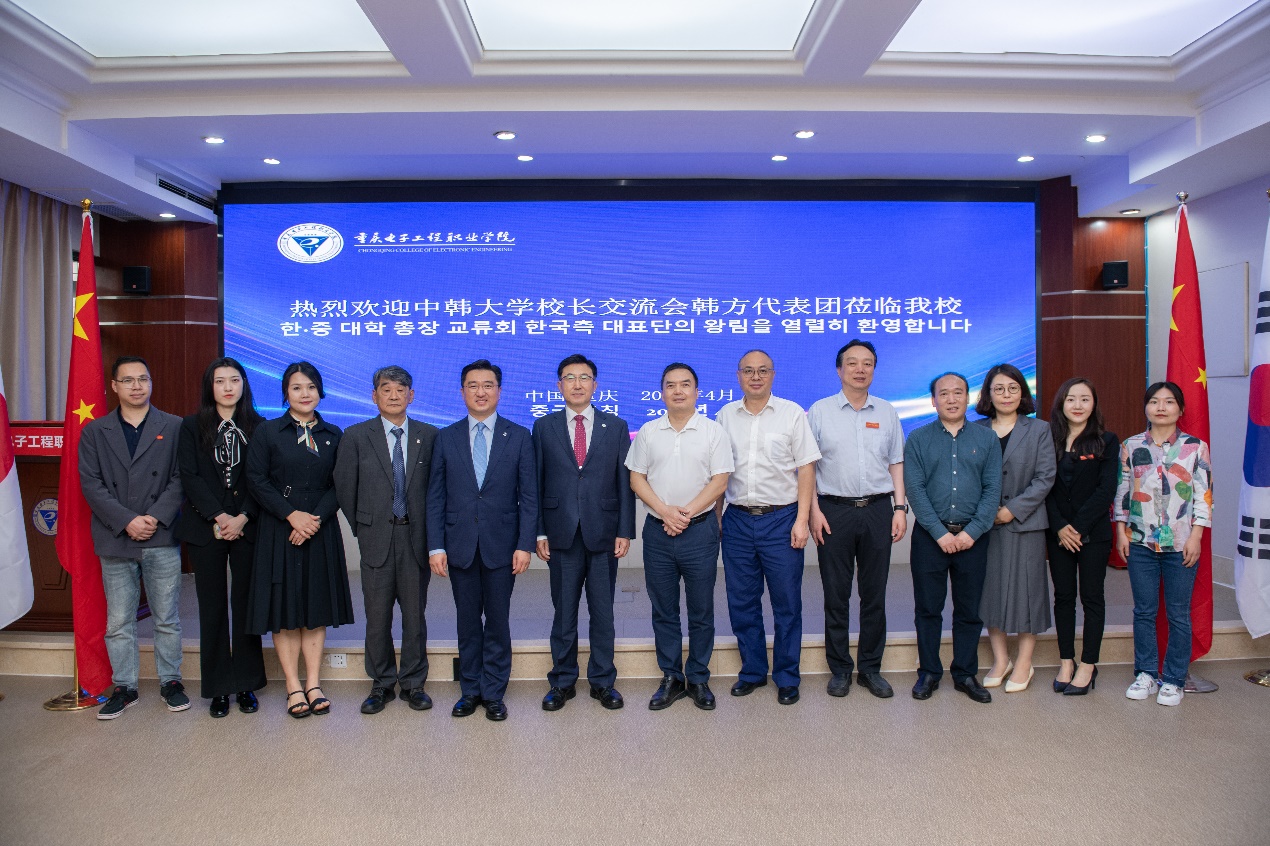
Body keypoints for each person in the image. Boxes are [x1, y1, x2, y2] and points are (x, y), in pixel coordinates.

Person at [427, 359, 537, 722]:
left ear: (499, 392)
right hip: (459, 544)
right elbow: (435, 497)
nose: (480, 392)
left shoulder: (518, 436)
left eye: (488, 385)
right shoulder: (445, 437)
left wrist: (524, 544)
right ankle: (470, 690)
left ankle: (493, 692)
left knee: (498, 621)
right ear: (462, 392)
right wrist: (436, 546)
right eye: (473, 385)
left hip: (502, 546)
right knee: (467, 622)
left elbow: (529, 496)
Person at [80, 356, 187, 720]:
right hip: (116, 536)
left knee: (166, 617)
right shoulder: (95, 431)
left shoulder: (174, 426)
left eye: (143, 379)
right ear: (114, 386)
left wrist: (153, 517)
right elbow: (91, 484)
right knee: (119, 621)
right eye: (128, 380)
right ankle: (124, 686)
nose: (137, 386)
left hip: (160, 534)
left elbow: (181, 478)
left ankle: (171, 682)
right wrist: (127, 521)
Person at [245, 361, 354, 718]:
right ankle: (293, 686)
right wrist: (291, 515)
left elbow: (340, 483)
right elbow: (256, 479)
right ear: (285, 393)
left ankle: (314, 683)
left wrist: (314, 520)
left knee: (315, 607)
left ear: (320, 391)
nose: (305, 393)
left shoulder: (334, 434)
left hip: (319, 528)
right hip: (280, 527)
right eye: (296, 387)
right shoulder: (268, 432)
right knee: (285, 609)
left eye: (311, 387)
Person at [626, 362, 733, 711]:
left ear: (697, 392)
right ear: (662, 393)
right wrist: (666, 511)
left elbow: (720, 480)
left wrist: (683, 514)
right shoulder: (648, 431)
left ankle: (698, 677)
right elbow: (636, 478)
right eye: (670, 385)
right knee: (664, 609)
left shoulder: (713, 431)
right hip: (658, 532)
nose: (678, 390)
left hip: (700, 531)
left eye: (685, 384)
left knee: (701, 609)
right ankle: (671, 677)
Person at [533, 354, 636, 712]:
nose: (577, 384)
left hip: (604, 532)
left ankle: (603, 682)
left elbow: (624, 482)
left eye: (584, 377)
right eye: (569, 378)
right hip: (560, 532)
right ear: (559, 385)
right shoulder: (543, 427)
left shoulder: (616, 426)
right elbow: (536, 483)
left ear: (595, 384)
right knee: (564, 612)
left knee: (603, 612)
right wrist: (539, 531)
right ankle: (562, 681)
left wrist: (625, 529)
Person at [717, 350, 820, 705]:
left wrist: (802, 520)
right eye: (748, 371)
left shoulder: (792, 414)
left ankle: (787, 676)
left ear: (773, 375)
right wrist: (717, 517)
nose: (756, 377)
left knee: (786, 602)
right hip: (737, 519)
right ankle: (753, 671)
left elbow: (806, 468)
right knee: (742, 601)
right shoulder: (725, 416)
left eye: (763, 371)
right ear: (738, 375)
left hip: (782, 519)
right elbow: (719, 472)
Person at [334, 366, 438, 715]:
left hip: (415, 537)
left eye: (400, 389)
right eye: (386, 389)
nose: (394, 395)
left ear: (412, 395)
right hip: (376, 536)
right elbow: (345, 488)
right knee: (377, 616)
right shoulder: (355, 436)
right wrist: (365, 527)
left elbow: (436, 490)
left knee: (414, 616)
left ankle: (413, 683)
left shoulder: (429, 435)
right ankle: (380, 683)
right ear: (374, 395)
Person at [807, 340, 907, 700]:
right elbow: (807, 467)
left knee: (874, 594)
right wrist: (813, 511)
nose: (860, 369)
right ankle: (840, 669)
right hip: (833, 510)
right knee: (836, 595)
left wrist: (900, 508)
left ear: (874, 370)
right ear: (839, 370)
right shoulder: (819, 411)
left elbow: (896, 462)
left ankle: (870, 668)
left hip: (878, 509)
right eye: (852, 363)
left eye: (867, 363)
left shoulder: (887, 411)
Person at [174, 357, 267, 718]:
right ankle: (217, 688)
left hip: (247, 525)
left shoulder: (260, 426)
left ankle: (245, 683)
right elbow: (190, 476)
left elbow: (261, 479)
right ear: (209, 387)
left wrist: (242, 516)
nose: (228, 387)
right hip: (205, 526)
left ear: (244, 384)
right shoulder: (191, 426)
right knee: (211, 607)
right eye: (220, 381)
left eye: (234, 380)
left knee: (245, 605)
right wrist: (219, 515)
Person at [903, 372, 1002, 704]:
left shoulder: (987, 439)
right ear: (933, 401)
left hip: (974, 538)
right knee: (928, 609)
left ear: (968, 398)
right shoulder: (918, 438)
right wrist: (940, 533)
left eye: (958, 392)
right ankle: (929, 672)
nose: (951, 399)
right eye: (943, 394)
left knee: (969, 610)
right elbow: (915, 489)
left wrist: (973, 531)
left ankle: (965, 673)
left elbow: (993, 489)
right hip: (930, 538)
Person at [1114, 381, 1212, 707]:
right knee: (1144, 611)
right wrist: (1121, 532)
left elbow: (1204, 496)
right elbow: (1123, 492)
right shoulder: (1131, 446)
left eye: (1169, 402)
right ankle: (1145, 673)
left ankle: (1173, 679)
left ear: (1180, 409)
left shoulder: (1195, 447)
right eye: (1154, 401)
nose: (1161, 407)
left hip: (1182, 542)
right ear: (1146, 407)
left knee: (1178, 613)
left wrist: (1196, 535)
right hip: (1141, 541)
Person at [974, 364, 1055, 693]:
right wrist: (985, 511)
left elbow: (1045, 478)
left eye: (1012, 388)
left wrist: (1012, 510)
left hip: (1025, 524)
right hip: (984, 525)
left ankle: (1024, 662)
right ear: (988, 394)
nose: (1005, 395)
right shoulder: (975, 430)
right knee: (989, 592)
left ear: (1022, 392)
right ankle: (1001, 659)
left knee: (1027, 592)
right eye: (998, 389)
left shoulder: (1039, 430)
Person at [1045, 377, 1118, 695]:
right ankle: (1066, 661)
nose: (1078, 405)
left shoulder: (1106, 441)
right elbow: (1044, 487)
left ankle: (1088, 664)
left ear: (1094, 404)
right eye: (1071, 399)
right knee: (1063, 598)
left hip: (1094, 534)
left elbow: (1106, 490)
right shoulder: (1048, 440)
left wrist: (1078, 528)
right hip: (1057, 534)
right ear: (1061, 403)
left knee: (1092, 598)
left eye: (1085, 399)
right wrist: (1060, 526)